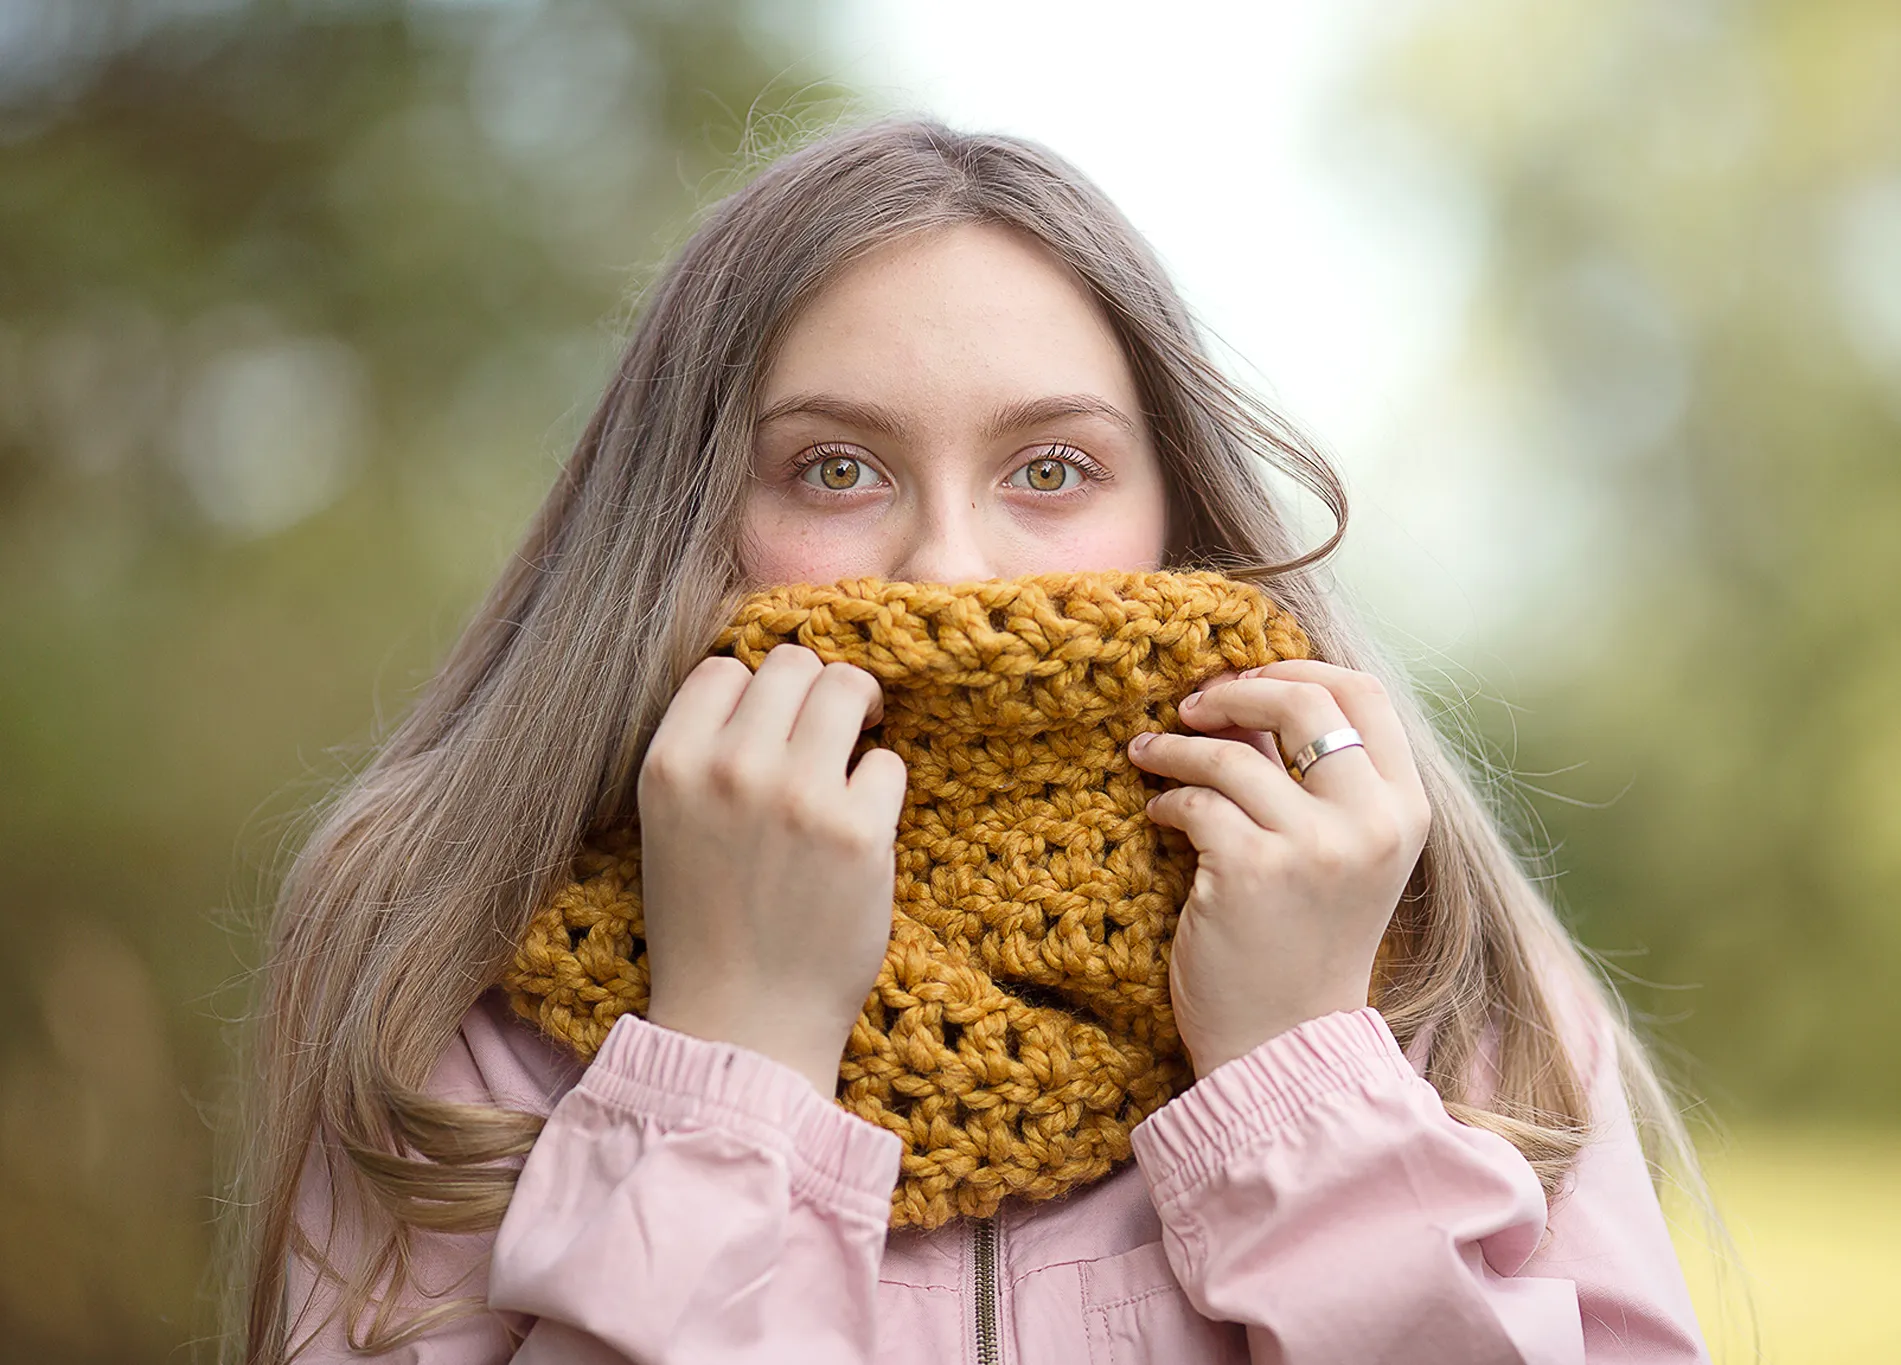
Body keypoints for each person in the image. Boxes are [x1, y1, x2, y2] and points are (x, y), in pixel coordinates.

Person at [220, 116, 1732, 1364]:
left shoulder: (1437, 958)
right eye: (833, 468)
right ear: (685, 518)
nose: (951, 567)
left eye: (1053, 466)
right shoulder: (444, 951)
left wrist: (1306, 1082)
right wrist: (731, 1053)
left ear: (1181, 510)